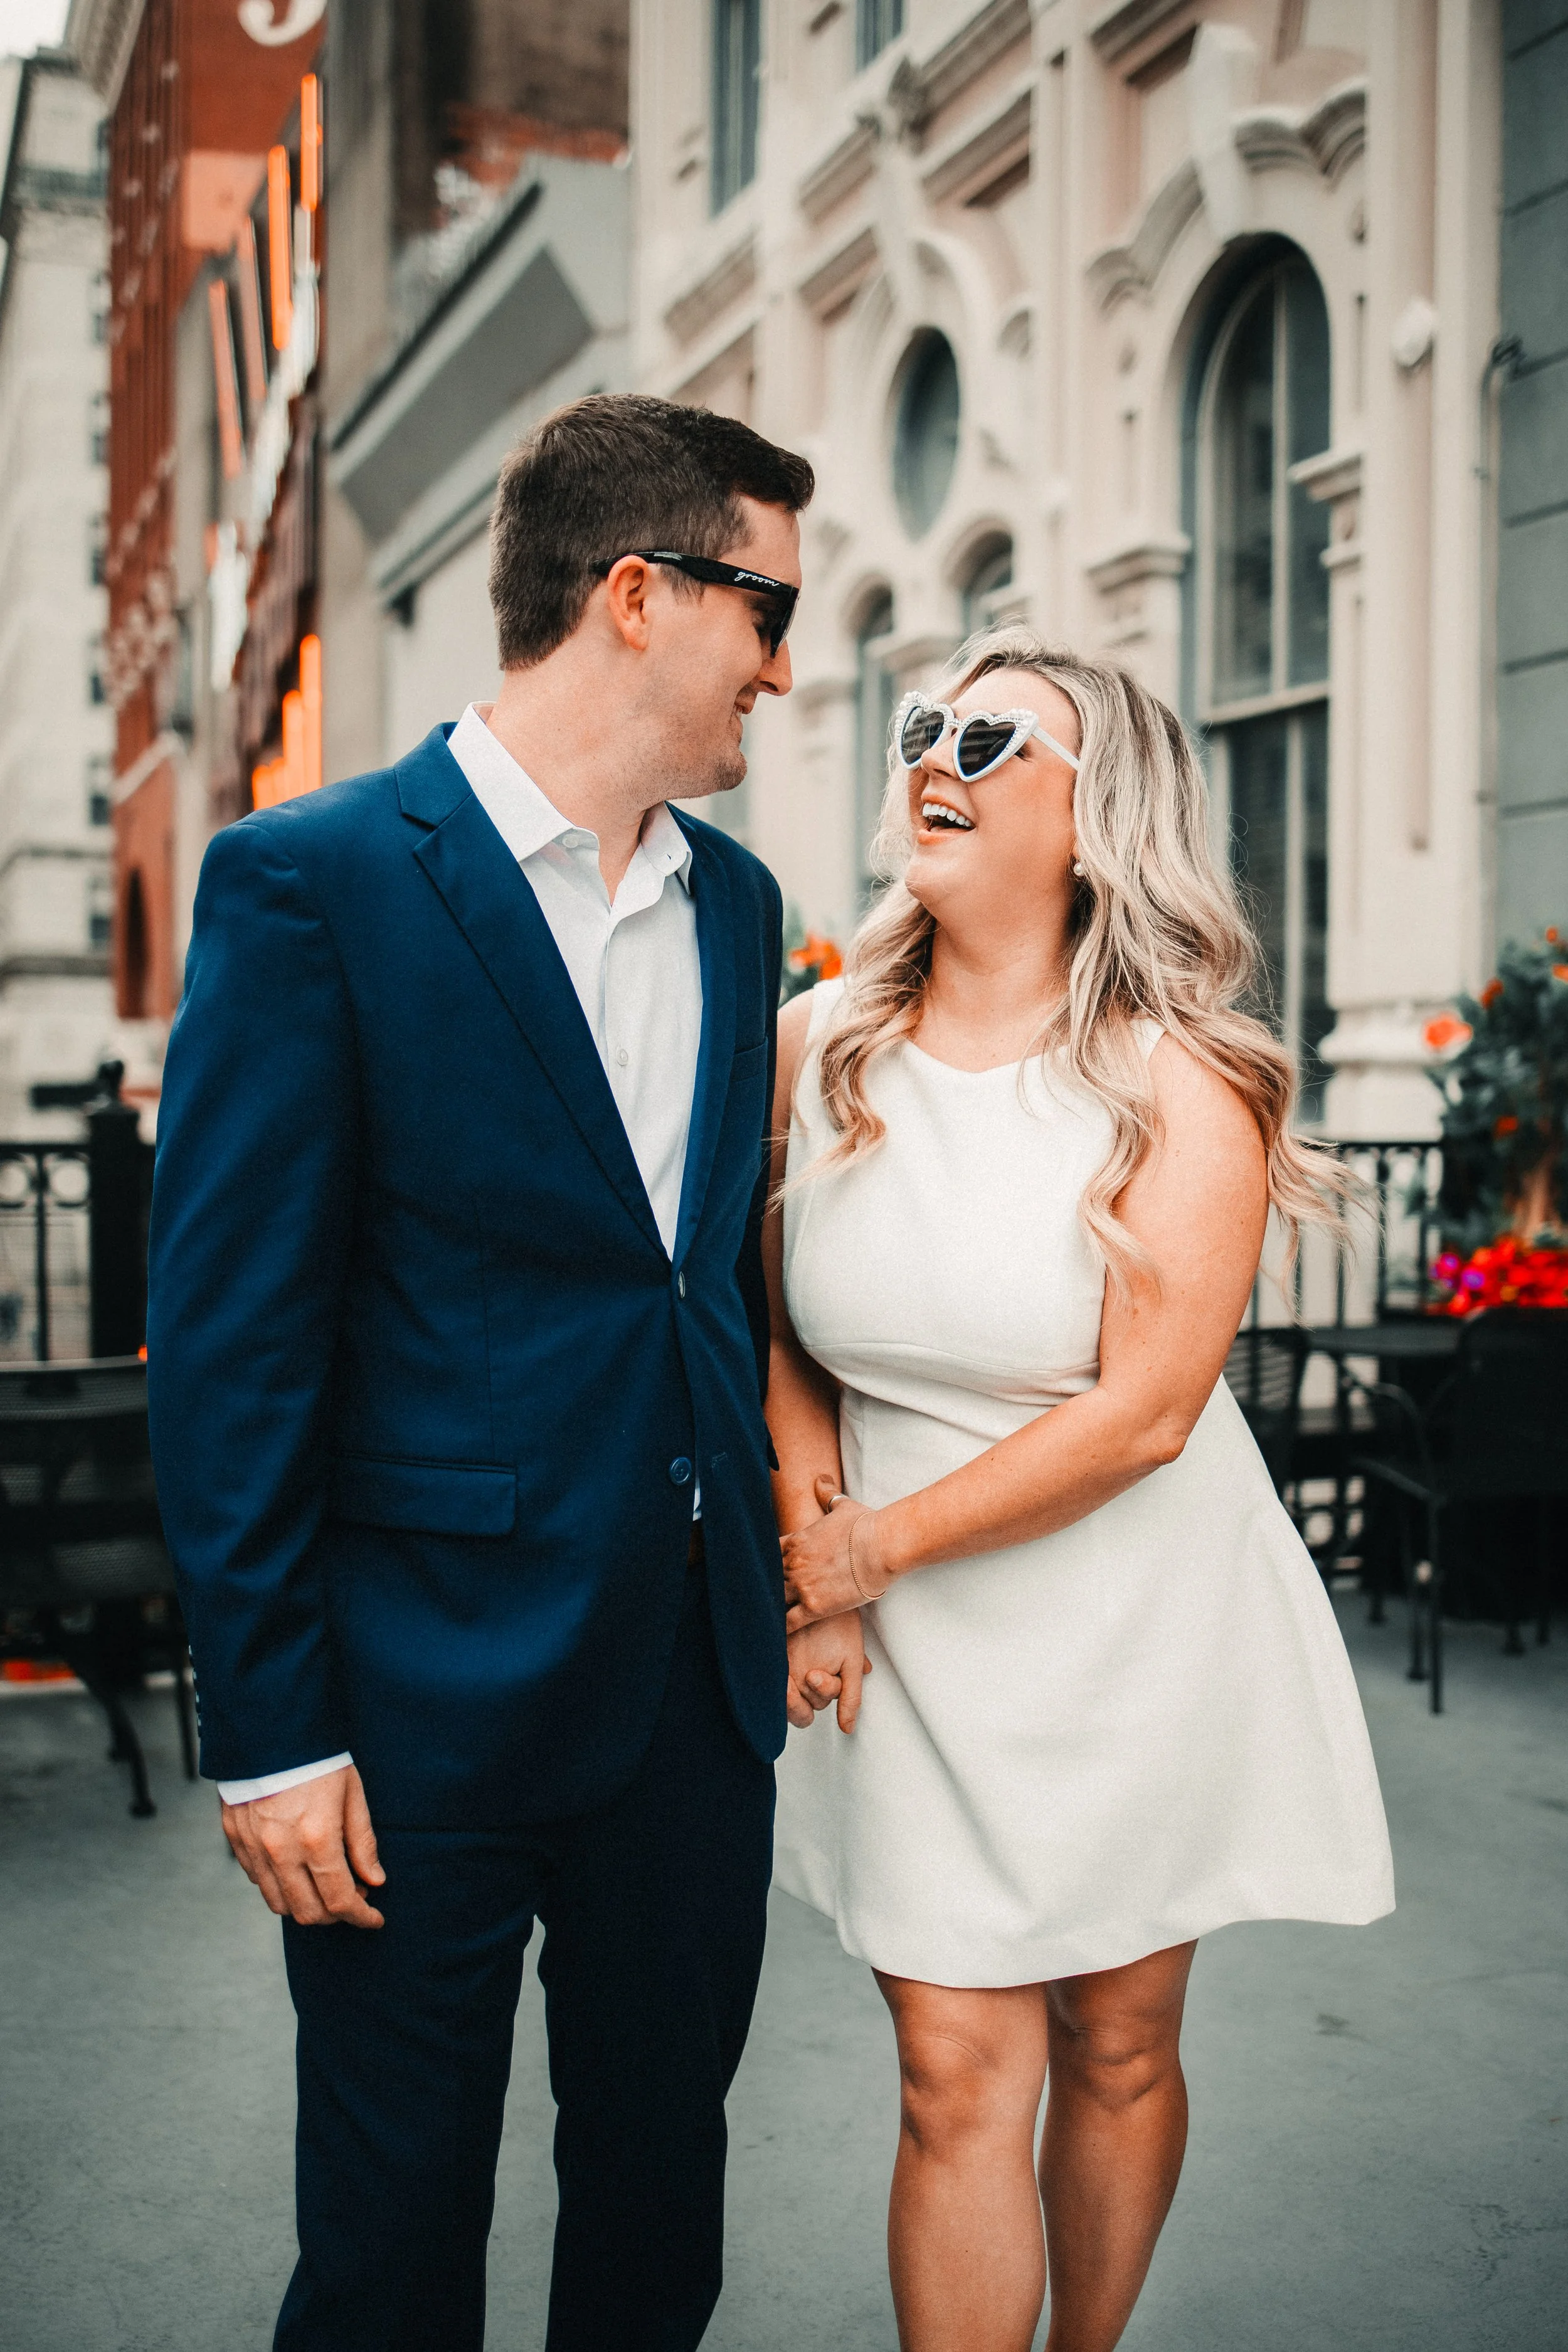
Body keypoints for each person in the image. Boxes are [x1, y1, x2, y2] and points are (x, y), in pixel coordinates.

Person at [147, 393, 813, 2352]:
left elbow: (697, 1281)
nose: (790, 661)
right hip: (409, 1710)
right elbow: (236, 1337)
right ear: (636, 591)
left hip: (692, 1706)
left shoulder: (748, 909)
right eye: (765, 608)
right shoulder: (315, 880)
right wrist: (268, 1729)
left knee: (656, 2213)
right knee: (388, 2242)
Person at [765, 631, 1394, 2352]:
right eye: (920, 724)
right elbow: (771, 1321)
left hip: (1134, 1616)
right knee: (951, 2067)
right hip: (901, 1632)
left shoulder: (1188, 1083)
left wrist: (852, 1558)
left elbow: (1140, 1416)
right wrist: (819, 1525)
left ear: (1095, 816)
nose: (933, 756)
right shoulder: (812, 1043)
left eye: (989, 735)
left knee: (1115, 2042)